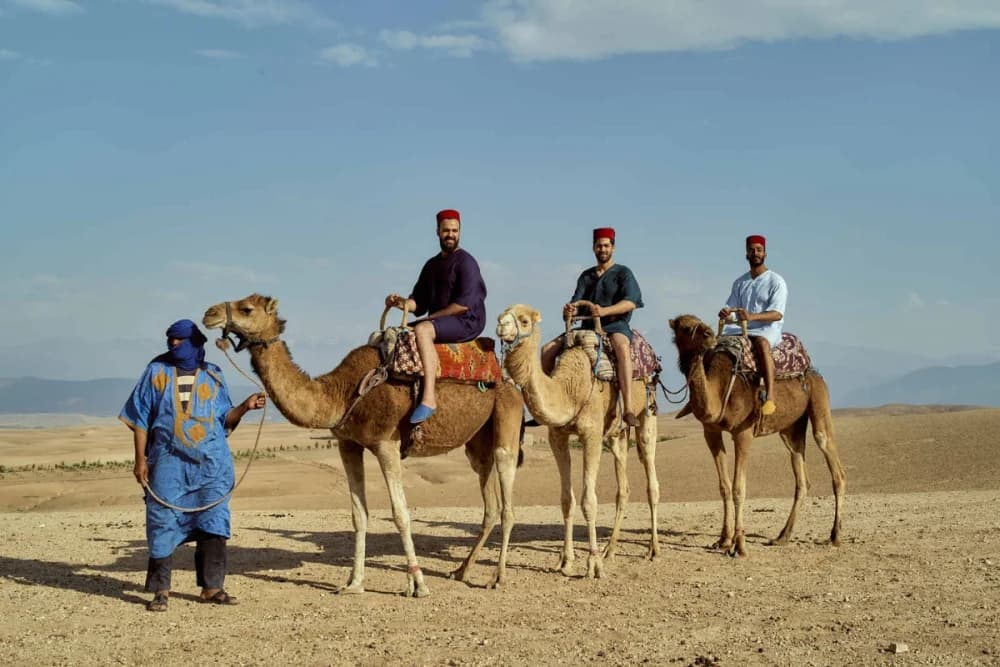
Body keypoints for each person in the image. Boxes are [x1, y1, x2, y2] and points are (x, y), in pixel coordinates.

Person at [119, 319, 266, 612]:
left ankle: (212, 588)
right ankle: (161, 591)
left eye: (180, 341)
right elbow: (140, 419)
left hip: (211, 466)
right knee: (162, 522)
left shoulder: (214, 374)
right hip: (167, 464)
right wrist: (140, 460)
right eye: (171, 341)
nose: (174, 345)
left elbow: (225, 420)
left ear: (195, 343)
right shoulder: (156, 373)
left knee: (213, 523)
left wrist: (245, 407)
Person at [385, 208, 487, 424]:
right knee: (395, 333)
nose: (450, 235)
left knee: (421, 329)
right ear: (437, 232)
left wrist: (430, 320)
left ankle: (429, 398)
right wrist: (400, 303)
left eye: (454, 231)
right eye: (446, 230)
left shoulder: (467, 262)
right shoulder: (431, 266)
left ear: (459, 232)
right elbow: (418, 303)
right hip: (440, 320)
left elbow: (462, 306)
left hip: (467, 321)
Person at [540, 227, 644, 426]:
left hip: (615, 326)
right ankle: (547, 405)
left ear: (613, 247)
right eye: (599, 246)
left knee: (622, 348)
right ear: (593, 248)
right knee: (546, 350)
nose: (602, 249)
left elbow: (631, 302)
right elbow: (576, 304)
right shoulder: (586, 276)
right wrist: (569, 311)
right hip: (585, 327)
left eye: (606, 245)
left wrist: (604, 312)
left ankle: (629, 408)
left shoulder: (623, 273)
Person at [718, 234, 788, 416]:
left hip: (767, 328)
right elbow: (730, 306)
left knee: (762, 344)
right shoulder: (740, 282)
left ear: (765, 253)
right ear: (746, 254)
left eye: (759, 250)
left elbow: (777, 313)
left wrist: (751, 316)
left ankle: (770, 396)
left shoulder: (776, 281)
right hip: (740, 327)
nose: (755, 253)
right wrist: (726, 312)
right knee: (714, 345)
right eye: (752, 250)